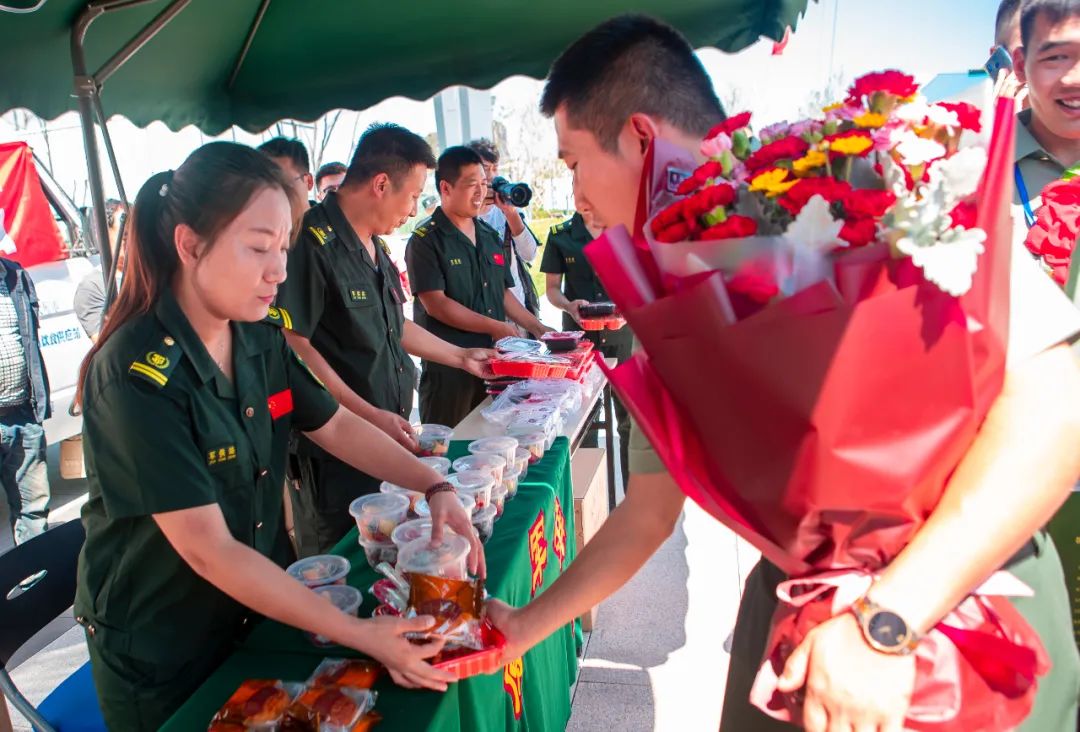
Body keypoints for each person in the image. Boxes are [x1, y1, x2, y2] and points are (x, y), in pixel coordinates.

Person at [485, 14, 1080, 732]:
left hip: (969, 608)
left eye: (574, 162)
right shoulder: (667, 299)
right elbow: (647, 511)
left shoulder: (861, 169)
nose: (574, 196)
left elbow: (1054, 404)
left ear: (640, 137)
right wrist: (521, 628)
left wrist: (882, 620)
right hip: (800, 632)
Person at [73, 142, 482, 731]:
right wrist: (361, 633)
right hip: (164, 646)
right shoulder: (136, 374)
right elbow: (206, 548)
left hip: (257, 610)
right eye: (260, 248)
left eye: (284, 248)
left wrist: (435, 484)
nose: (280, 272)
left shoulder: (259, 336)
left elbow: (335, 424)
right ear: (190, 245)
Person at [277, 123, 495, 556]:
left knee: (382, 560)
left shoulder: (373, 245)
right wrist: (366, 413)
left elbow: (395, 325)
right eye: (413, 195)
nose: (415, 209)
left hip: (382, 437)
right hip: (334, 450)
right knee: (342, 564)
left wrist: (461, 356)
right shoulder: (312, 242)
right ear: (381, 184)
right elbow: (295, 346)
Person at [405, 146, 549, 427]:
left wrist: (538, 327)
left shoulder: (488, 235)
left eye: (484, 184)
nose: (481, 193)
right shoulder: (426, 240)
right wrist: (494, 326)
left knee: (493, 446)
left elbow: (503, 292)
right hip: (448, 372)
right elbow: (436, 304)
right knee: (447, 450)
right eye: (472, 185)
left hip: (495, 365)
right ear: (446, 188)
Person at [540, 199, 632, 480]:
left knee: (629, 419)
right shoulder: (561, 235)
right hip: (580, 341)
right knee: (585, 418)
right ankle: (589, 496)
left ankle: (631, 496)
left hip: (623, 337)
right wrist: (569, 305)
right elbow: (552, 289)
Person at [0, 255, 50, 545]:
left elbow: (31, 340)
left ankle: (36, 586)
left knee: (33, 510)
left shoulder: (14, 276)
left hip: (23, 413)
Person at [466, 139, 541, 317]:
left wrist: (511, 213)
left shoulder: (506, 210)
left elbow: (529, 254)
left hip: (517, 314)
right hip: (479, 315)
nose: (491, 176)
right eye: (485, 168)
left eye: (495, 168)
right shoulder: (463, 214)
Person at [74, 198, 127, 340]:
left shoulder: (154, 274)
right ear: (103, 234)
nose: (133, 239)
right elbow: (108, 345)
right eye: (125, 234)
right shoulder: (93, 287)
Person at [258, 136, 314, 217]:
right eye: (264, 187)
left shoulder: (333, 224)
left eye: (284, 185)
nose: (274, 195)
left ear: (309, 181)